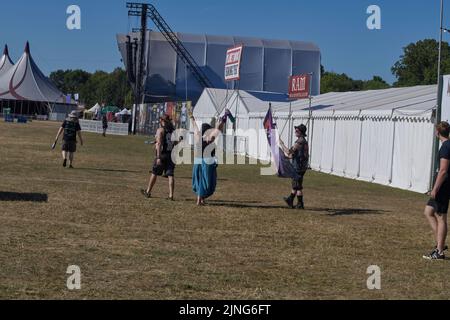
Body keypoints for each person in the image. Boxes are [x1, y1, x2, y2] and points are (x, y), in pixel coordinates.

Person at [423, 121, 450, 260]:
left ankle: (439, 251)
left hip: (443, 187)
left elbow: (443, 170)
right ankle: (440, 243)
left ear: (438, 132)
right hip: (443, 186)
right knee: (428, 211)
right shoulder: (446, 145)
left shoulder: (445, 147)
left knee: (441, 217)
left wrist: (435, 188)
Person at [190, 110, 228, 206]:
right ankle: (199, 200)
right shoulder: (208, 139)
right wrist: (223, 121)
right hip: (206, 163)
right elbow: (217, 130)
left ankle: (201, 199)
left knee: (199, 181)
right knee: (205, 181)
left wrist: (192, 118)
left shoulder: (198, 137)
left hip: (197, 162)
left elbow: (195, 128)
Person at [141, 115, 178, 200]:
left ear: (162, 120)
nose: (159, 121)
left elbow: (159, 144)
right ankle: (171, 195)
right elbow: (175, 143)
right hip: (171, 155)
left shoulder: (160, 130)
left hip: (162, 154)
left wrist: (158, 157)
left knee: (154, 173)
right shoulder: (173, 131)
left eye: (160, 120)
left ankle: (148, 192)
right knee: (170, 175)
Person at [279, 124, 309, 209]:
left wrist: (281, 144)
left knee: (298, 185)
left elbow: (289, 151)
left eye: (297, 130)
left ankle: (299, 203)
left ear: (301, 132)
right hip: (301, 166)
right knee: (296, 184)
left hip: (298, 166)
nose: (295, 131)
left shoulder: (300, 141)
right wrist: (287, 157)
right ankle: (291, 200)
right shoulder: (303, 141)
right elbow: (293, 155)